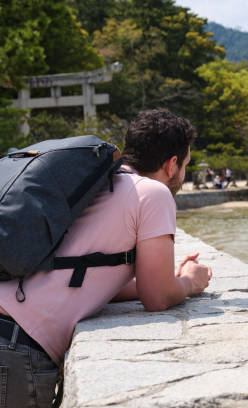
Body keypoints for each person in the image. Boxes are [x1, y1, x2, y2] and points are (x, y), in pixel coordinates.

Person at [0, 109, 212, 407]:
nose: (183, 175)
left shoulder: (93, 183)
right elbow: (158, 298)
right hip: (16, 344)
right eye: (186, 165)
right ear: (172, 164)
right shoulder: (153, 193)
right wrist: (190, 281)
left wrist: (164, 276)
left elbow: (86, 273)